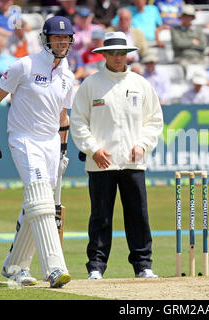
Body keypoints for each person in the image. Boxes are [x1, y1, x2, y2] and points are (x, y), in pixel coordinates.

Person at [0, 16, 75, 288]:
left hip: (51, 143)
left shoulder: (67, 74)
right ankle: (55, 268)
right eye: (57, 37)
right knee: (41, 198)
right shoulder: (25, 65)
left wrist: (63, 149)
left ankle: (15, 266)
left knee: (37, 202)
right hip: (24, 139)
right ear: (46, 39)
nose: (62, 42)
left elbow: (62, 114)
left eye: (66, 38)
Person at [69, 31, 164, 280]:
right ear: (105, 55)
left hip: (133, 162)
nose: (118, 57)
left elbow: (154, 121)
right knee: (100, 216)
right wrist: (93, 149)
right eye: (113, 52)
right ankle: (96, 267)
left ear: (128, 54)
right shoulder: (90, 84)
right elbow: (77, 121)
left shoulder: (140, 84)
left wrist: (142, 144)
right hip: (102, 162)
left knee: (138, 215)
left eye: (122, 52)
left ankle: (143, 265)